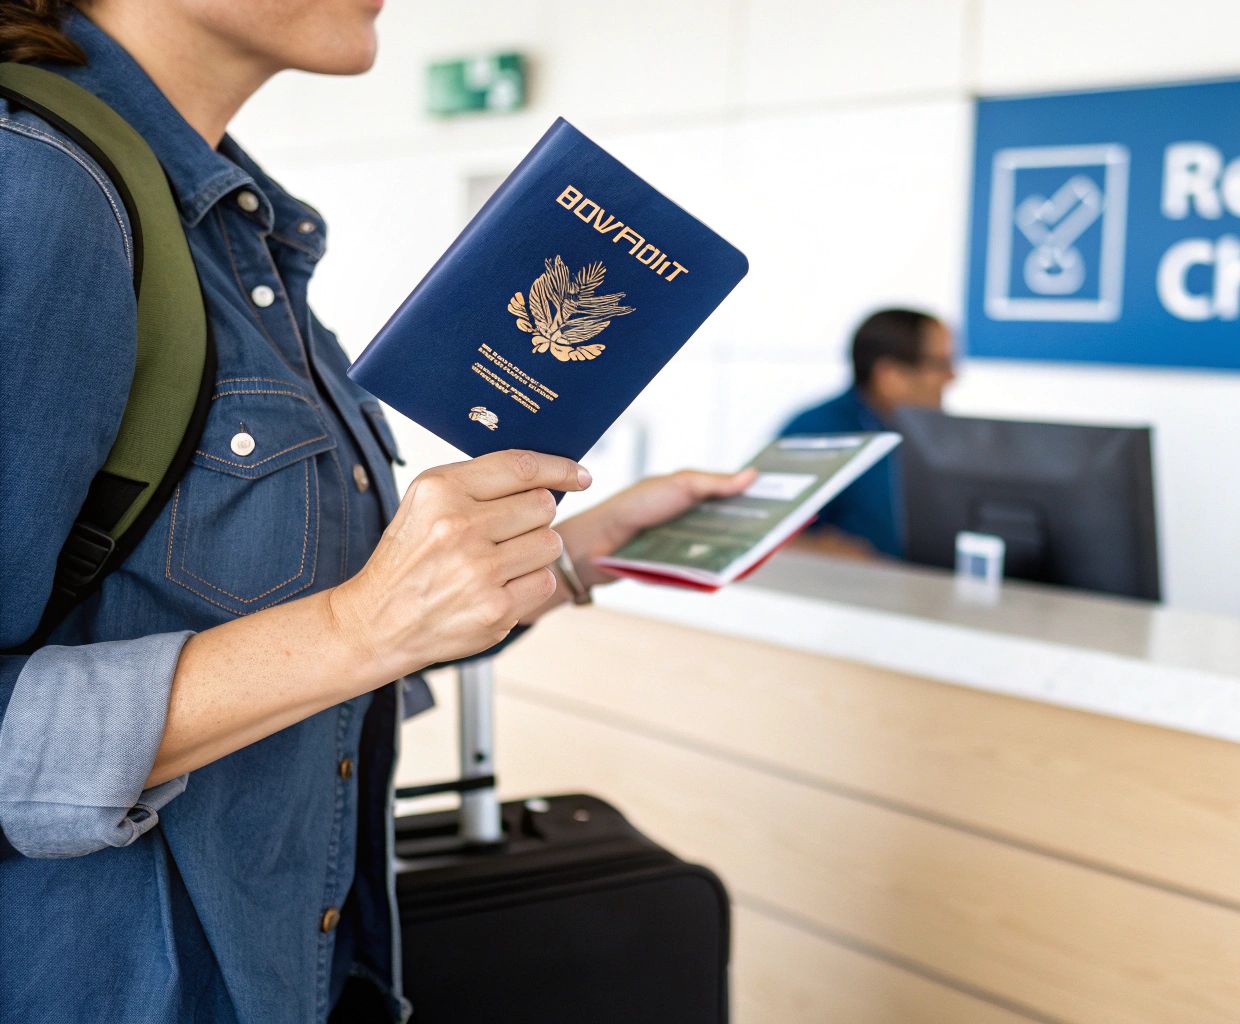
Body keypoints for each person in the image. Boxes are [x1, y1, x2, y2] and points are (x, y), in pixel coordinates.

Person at [0, 2, 753, 1021]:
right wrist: (357, 629)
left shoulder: (237, 233)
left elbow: (277, 632)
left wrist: (568, 554)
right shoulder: (34, 190)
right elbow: (340, 632)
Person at [778, 308, 956, 559]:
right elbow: (759, 535)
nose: (952, 376)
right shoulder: (817, 431)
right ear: (890, 374)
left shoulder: (934, 435)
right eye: (940, 364)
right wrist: (828, 552)